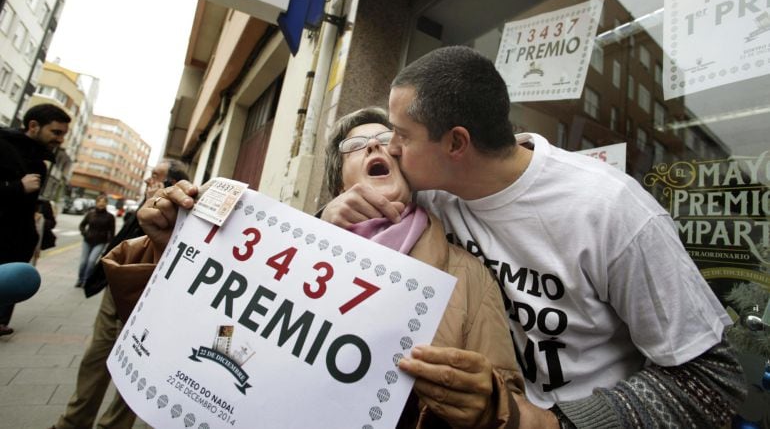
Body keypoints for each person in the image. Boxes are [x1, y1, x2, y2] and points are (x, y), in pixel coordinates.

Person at [320, 46, 746, 428]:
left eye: (402, 135)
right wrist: (328, 217)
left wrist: (546, 423)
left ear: (456, 143)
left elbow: (712, 384)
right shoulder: (432, 192)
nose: (390, 148)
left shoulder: (609, 208)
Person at [102, 107, 524, 428]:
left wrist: (487, 404)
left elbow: (508, 399)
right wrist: (169, 245)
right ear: (339, 177)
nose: (375, 147)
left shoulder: (467, 277)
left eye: (386, 140)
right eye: (356, 145)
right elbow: (199, 331)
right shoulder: (276, 239)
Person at [51, 159, 189, 429]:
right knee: (96, 356)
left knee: (136, 364)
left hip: (149, 295)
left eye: (156, 177)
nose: (149, 181)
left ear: (172, 182)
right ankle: (73, 422)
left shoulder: (179, 209)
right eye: (150, 176)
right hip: (117, 287)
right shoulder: (145, 204)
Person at [0, 103, 70, 336]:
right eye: (56, 132)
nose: (60, 140)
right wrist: (17, 187)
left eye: (63, 134)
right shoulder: (3, 146)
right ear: (33, 126)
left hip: (17, 243)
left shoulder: (40, 163)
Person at [76, 194, 115, 288]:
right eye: (99, 202)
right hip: (87, 241)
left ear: (106, 204)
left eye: (104, 202)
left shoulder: (110, 217)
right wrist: (84, 233)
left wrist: (109, 244)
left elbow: (112, 231)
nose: (101, 204)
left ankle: (86, 281)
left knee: (91, 261)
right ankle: (80, 279)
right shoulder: (90, 214)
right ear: (96, 203)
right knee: (83, 262)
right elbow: (82, 225)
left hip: (100, 242)